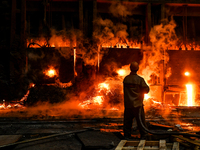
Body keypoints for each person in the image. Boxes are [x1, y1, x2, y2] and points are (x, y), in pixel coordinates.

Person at [123, 61, 150, 139]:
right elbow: (146, 90)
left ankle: (127, 136)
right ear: (137, 69)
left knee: (127, 122)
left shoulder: (126, 79)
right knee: (141, 121)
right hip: (137, 105)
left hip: (128, 104)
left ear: (130, 68)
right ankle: (144, 135)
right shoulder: (139, 79)